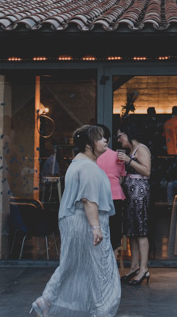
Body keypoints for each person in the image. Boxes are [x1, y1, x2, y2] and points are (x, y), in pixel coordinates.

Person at [31, 125, 120, 317]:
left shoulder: (77, 164)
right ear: (89, 145)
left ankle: (46, 300)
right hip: (85, 222)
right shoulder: (88, 167)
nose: (105, 141)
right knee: (101, 268)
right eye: (100, 138)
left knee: (72, 264)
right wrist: (96, 227)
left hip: (75, 221)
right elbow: (89, 199)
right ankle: (102, 310)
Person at [116, 122, 151, 286]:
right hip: (130, 195)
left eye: (120, 136)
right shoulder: (130, 151)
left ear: (128, 134)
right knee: (132, 232)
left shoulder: (141, 149)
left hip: (139, 194)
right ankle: (134, 266)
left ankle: (144, 268)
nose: (119, 139)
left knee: (141, 231)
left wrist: (129, 161)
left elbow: (147, 171)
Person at [95, 124, 126, 253]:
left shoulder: (92, 157)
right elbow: (121, 178)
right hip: (115, 195)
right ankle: (113, 260)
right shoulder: (118, 155)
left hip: (98, 196)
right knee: (115, 230)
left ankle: (100, 259)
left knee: (99, 228)